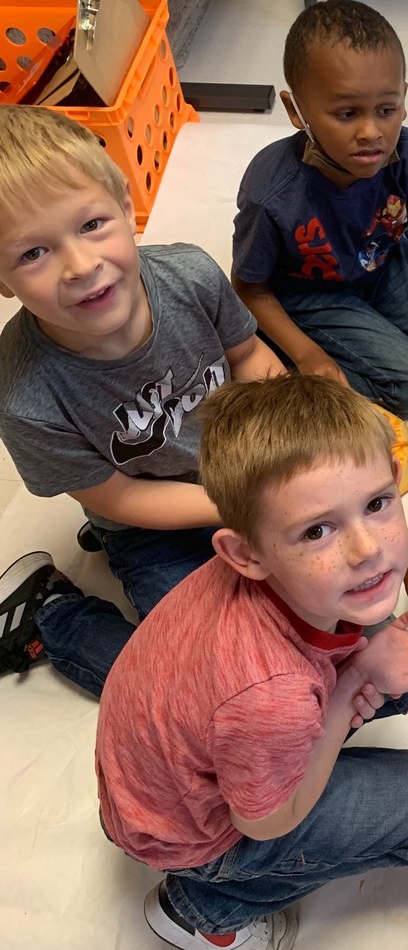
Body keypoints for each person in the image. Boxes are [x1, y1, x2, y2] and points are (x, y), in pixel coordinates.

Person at [96, 372, 408, 950]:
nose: (368, 549)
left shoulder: (267, 588)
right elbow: (264, 822)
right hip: (195, 833)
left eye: (376, 504)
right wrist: (353, 688)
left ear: (397, 481)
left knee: (382, 635)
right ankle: (202, 907)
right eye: (317, 530)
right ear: (245, 554)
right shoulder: (271, 698)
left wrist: (358, 676)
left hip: (167, 763)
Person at [0, 105, 284, 695]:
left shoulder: (191, 276)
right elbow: (121, 495)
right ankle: (54, 614)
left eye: (91, 225)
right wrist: (238, 506)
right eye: (33, 254)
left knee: (330, 623)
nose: (81, 266)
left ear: (129, 210)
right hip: (142, 524)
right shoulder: (23, 396)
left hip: (237, 468)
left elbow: (250, 357)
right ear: (3, 283)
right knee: (199, 686)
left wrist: (290, 448)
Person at [231, 0, 408, 421]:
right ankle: (290, 359)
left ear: (403, 98)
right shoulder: (271, 195)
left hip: (382, 259)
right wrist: (308, 355)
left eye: (387, 110)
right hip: (311, 292)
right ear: (296, 111)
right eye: (346, 114)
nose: (371, 132)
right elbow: (249, 287)